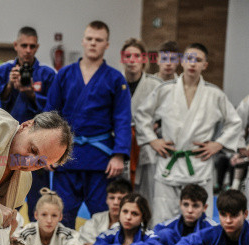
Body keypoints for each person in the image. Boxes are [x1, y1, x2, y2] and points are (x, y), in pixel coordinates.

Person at [135, 43, 243, 226]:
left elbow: (235, 123)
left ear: (205, 65)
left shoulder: (214, 94)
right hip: (169, 162)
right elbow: (141, 115)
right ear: (182, 62)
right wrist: (153, 141)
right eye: (189, 59)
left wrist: (218, 144)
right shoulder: (165, 90)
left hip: (198, 164)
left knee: (199, 220)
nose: (193, 64)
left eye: (198, 60)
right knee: (163, 220)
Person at [44, 20, 131, 229]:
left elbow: (122, 118)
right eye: (90, 39)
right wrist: (48, 151)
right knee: (62, 217)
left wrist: (119, 154)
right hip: (67, 157)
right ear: (83, 41)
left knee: (103, 218)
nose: (93, 43)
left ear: (107, 45)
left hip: (100, 160)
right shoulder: (64, 75)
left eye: (99, 40)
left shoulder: (115, 78)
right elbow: (51, 115)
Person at [0, 26, 56, 220]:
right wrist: (9, 86)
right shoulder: (2, 71)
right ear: (16, 45)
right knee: (5, 196)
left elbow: (54, 110)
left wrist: (31, 93)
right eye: (24, 45)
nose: (28, 50)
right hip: (8, 145)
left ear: (37, 47)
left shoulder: (47, 74)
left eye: (32, 46)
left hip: (39, 146)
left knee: (38, 199)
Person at [120, 38, 162, 204]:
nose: (132, 60)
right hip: (121, 145)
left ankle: (147, 228)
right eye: (128, 56)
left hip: (147, 146)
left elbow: (167, 114)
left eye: (136, 56)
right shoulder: (115, 81)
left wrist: (158, 124)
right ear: (123, 59)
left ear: (144, 59)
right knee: (121, 192)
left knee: (147, 195)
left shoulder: (156, 85)